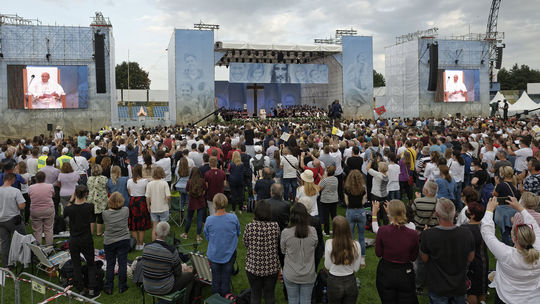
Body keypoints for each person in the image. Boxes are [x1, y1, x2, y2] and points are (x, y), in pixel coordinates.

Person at [482, 197, 540, 303]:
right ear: (533, 237)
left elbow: (487, 233)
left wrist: (489, 210)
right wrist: (520, 208)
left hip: (506, 298)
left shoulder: (506, 253)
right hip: (534, 299)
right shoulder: (538, 248)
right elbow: (534, 225)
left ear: (514, 238)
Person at [420, 198, 475, 303]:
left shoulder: (428, 235)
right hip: (458, 285)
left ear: (437, 214)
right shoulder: (466, 233)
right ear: (454, 214)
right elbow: (471, 257)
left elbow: (424, 258)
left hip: (438, 287)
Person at [373, 200, 419, 304]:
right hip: (404, 273)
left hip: (387, 272)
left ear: (389, 213)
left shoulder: (383, 231)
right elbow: (413, 257)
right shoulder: (413, 233)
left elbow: (378, 253)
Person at [63, 185, 98, 297]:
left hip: (74, 239)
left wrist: (71, 200)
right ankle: (91, 288)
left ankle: (80, 289)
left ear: (75, 194)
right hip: (86, 238)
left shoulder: (69, 208)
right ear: (86, 194)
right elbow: (92, 219)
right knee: (90, 263)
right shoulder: (90, 206)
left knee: (76, 264)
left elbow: (64, 215)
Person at [243, 200, 281, 304]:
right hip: (271, 267)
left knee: (255, 295)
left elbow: (245, 244)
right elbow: (278, 244)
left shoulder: (250, 227)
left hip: (253, 267)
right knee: (270, 295)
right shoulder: (275, 226)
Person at [142, 221, 194, 296]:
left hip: (147, 286)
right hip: (165, 288)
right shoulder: (171, 251)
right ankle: (186, 300)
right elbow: (178, 273)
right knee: (190, 275)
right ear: (168, 234)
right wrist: (184, 268)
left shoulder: (146, 247)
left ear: (155, 233)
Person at [204, 193, 241, 297]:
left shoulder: (209, 220)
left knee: (216, 279)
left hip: (216, 253)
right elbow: (238, 233)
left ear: (214, 204)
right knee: (225, 279)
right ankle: (225, 297)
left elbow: (207, 236)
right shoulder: (233, 218)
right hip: (228, 253)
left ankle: (217, 298)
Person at [281, 203, 318, 304]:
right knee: (306, 300)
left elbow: (283, 250)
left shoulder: (285, 232)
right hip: (308, 273)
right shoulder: (313, 231)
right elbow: (315, 246)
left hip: (291, 273)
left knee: (293, 300)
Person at [324, 216, 361, 304]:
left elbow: (328, 266)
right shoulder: (356, 245)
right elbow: (356, 268)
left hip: (334, 282)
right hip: (350, 282)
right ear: (348, 228)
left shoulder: (329, 243)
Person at [102, 192, 130, 295]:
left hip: (110, 242)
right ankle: (122, 286)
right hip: (123, 240)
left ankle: (109, 286)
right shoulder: (125, 210)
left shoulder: (105, 213)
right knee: (122, 263)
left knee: (110, 264)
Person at [461, 202, 489, 304]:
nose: (466, 212)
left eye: (468, 211)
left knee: (471, 291)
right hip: (484, 261)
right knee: (482, 288)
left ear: (472, 215)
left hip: (471, 262)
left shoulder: (465, 229)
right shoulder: (486, 227)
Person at [0, 173, 26, 266]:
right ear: (12, 179)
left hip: (1, 220)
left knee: (5, 243)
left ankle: (6, 264)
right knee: (23, 239)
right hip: (13, 219)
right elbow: (22, 206)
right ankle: (24, 260)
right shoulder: (15, 191)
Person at [344, 169, 368, 268]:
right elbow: (363, 202)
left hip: (350, 211)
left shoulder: (347, 188)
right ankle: (362, 259)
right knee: (361, 237)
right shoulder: (363, 188)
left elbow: (346, 202)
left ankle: (351, 256)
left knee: (351, 236)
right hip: (361, 211)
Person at [127, 164, 151, 251]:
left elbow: (129, 192)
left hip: (133, 201)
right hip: (141, 201)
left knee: (134, 223)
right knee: (141, 223)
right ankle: (140, 243)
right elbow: (146, 192)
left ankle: (136, 243)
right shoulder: (145, 181)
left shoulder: (129, 181)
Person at [28, 171, 55, 245]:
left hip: (35, 211)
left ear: (36, 178)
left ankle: (38, 248)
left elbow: (29, 196)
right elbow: (53, 195)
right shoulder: (50, 186)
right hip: (48, 209)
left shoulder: (31, 187)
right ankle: (49, 247)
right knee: (48, 229)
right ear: (44, 178)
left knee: (37, 230)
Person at [146, 167, 171, 241]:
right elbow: (168, 196)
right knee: (164, 228)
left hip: (153, 208)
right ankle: (163, 244)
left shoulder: (149, 184)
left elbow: (147, 197)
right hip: (163, 208)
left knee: (155, 227)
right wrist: (168, 204)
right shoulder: (164, 183)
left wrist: (148, 205)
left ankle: (154, 243)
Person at [183, 167, 206, 242]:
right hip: (201, 201)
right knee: (199, 220)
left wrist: (192, 195)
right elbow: (204, 191)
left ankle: (185, 234)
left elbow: (187, 191)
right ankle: (198, 237)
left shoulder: (189, 182)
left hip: (192, 202)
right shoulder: (202, 181)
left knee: (189, 218)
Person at [87, 164, 108, 236]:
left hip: (91, 199)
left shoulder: (89, 179)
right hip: (101, 199)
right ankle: (99, 232)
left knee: (92, 216)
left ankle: (91, 232)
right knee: (100, 216)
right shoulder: (104, 178)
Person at [319, 166, 338, 235]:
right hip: (334, 199)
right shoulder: (336, 179)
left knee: (326, 217)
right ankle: (335, 231)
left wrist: (322, 178)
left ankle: (327, 232)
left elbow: (319, 188)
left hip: (326, 200)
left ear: (327, 172)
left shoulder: (325, 180)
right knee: (334, 216)